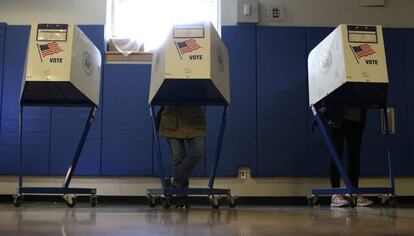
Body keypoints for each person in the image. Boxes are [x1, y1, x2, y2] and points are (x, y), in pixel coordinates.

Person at [321, 106, 374, 207]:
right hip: (337, 117)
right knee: (336, 154)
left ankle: (353, 193)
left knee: (354, 156)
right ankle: (336, 194)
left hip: (356, 118)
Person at [158, 105, 206, 207]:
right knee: (178, 157)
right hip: (172, 116)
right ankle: (182, 196)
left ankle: (174, 183)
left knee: (197, 152)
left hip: (194, 117)